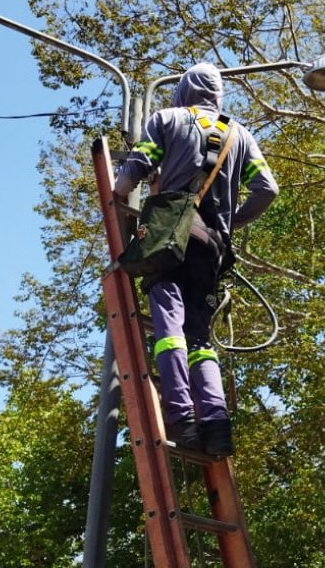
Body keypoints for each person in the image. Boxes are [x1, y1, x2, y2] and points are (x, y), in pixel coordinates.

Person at [114, 62, 279, 456]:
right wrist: (229, 222)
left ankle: (183, 419)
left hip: (169, 238)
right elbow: (267, 189)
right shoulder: (240, 134)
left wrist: (119, 193)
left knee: (169, 327)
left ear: (184, 89)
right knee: (201, 339)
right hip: (213, 246)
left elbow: (134, 169)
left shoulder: (167, 118)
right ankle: (217, 427)